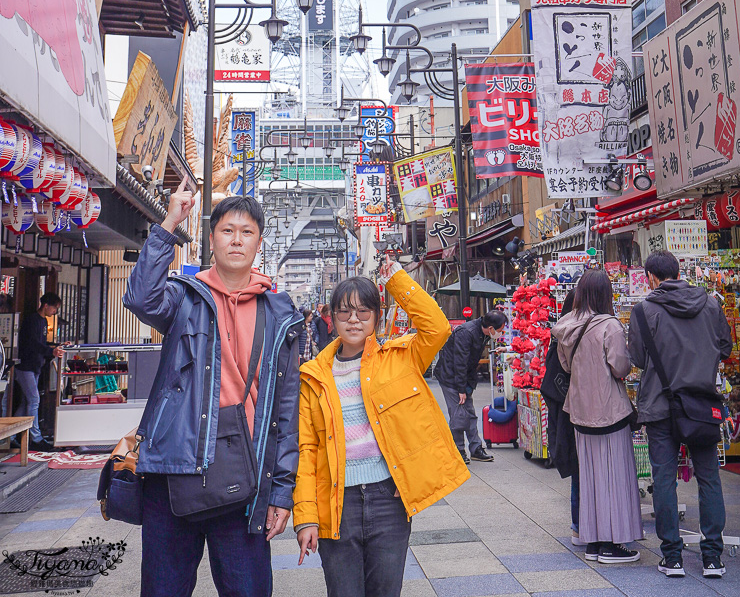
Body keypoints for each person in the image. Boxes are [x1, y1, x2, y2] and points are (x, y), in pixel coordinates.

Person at [123, 179, 302, 597]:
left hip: (246, 477)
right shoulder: (185, 297)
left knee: (248, 589)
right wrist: (170, 221)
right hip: (173, 471)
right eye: (227, 230)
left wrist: (282, 491)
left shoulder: (280, 313)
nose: (236, 240)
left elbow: (287, 410)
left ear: (259, 243)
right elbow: (140, 298)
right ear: (212, 238)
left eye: (246, 232)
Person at [294, 254, 469, 597]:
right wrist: (306, 517)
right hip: (337, 502)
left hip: (388, 499)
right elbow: (306, 449)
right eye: (344, 311)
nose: (354, 319)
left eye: (364, 311)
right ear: (331, 318)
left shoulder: (401, 357)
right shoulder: (314, 377)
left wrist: (397, 280)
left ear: (376, 316)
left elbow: (437, 327)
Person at [629, 250, 732, 579]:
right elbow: (725, 348)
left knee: (663, 480)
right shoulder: (711, 304)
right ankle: (713, 557)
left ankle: (672, 557)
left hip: (660, 406)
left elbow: (639, 359)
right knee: (709, 478)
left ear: (651, 278)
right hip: (702, 404)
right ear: (678, 272)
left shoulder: (644, 311)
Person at [554, 269, 643, 565]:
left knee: (590, 477)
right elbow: (620, 367)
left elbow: (566, 368)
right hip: (609, 411)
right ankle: (611, 544)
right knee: (615, 476)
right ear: (605, 294)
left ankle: (592, 542)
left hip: (579, 412)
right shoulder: (610, 326)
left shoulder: (567, 326)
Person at [433, 308, 507, 463]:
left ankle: (475, 448)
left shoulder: (482, 333)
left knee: (470, 413)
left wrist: (468, 385)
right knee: (459, 415)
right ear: (491, 328)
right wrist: (461, 389)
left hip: (464, 378)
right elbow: (459, 362)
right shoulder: (466, 333)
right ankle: (459, 450)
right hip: (450, 377)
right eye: (500, 330)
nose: (501, 333)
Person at [540, 290, 582, 546]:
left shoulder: (559, 333)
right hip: (578, 410)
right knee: (582, 468)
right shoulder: (573, 333)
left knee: (578, 470)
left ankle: (578, 526)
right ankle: (582, 525)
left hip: (565, 409)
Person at [14, 292, 64, 448]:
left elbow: (42, 343)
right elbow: (34, 343)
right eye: (54, 308)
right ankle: (35, 438)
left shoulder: (42, 321)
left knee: (26, 403)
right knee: (34, 400)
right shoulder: (32, 320)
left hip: (35, 366)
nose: (55, 312)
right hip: (25, 366)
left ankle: (12, 435)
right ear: (46, 305)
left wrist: (55, 346)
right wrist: (52, 351)